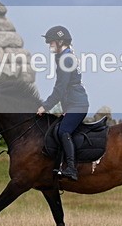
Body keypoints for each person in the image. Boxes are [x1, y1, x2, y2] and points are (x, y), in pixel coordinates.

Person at [36, 26, 89, 181]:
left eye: (51, 42)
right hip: (73, 104)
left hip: (78, 104)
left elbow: (60, 88)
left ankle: (71, 169)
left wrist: (45, 106)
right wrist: (66, 108)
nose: (49, 45)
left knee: (63, 131)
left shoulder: (66, 59)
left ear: (60, 41)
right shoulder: (64, 56)